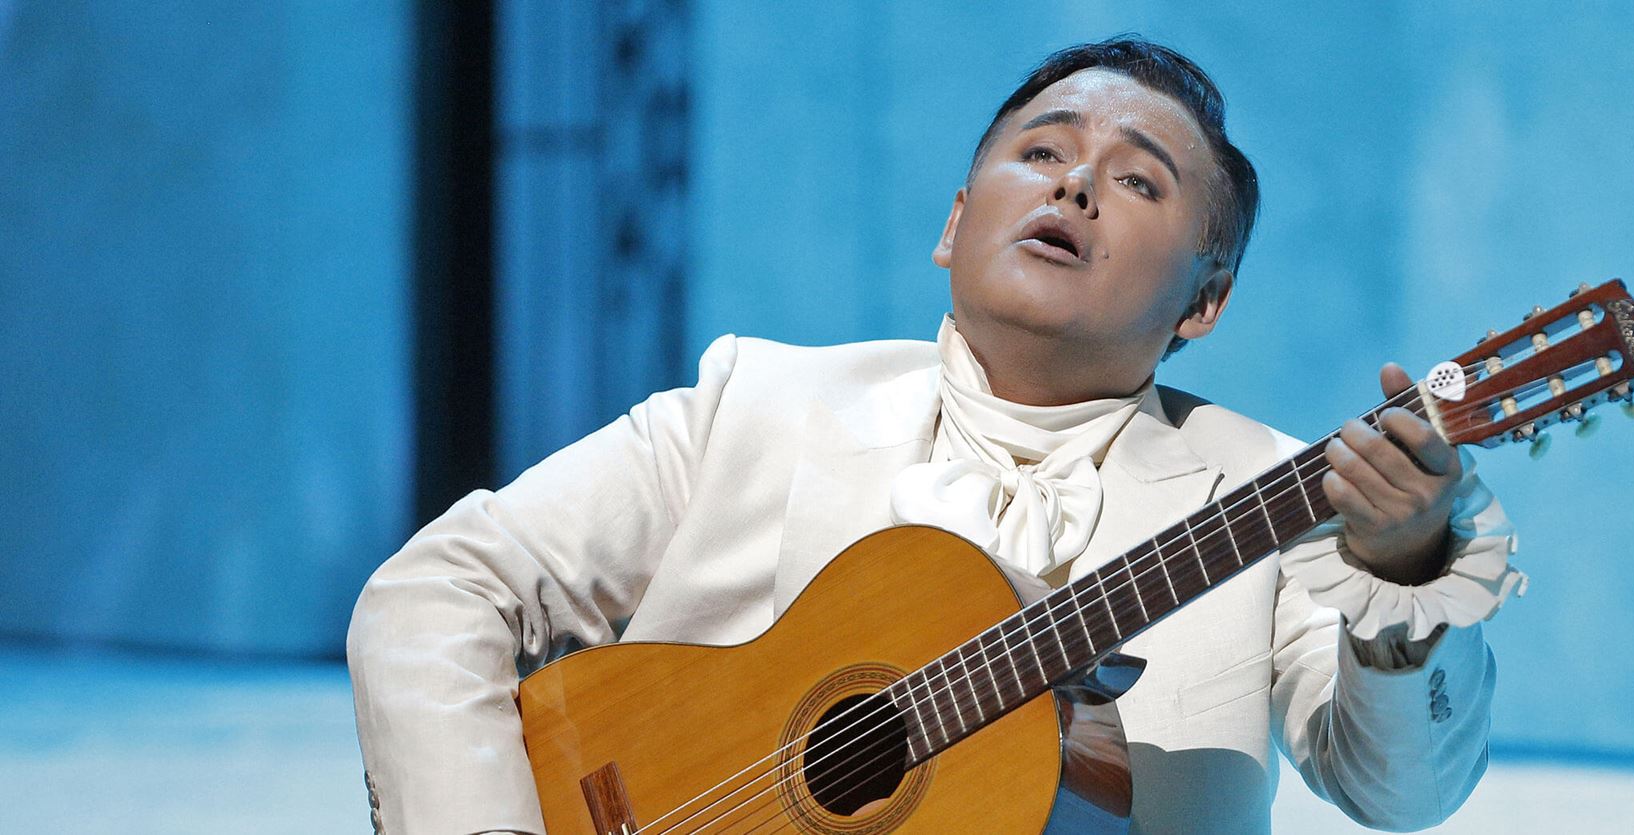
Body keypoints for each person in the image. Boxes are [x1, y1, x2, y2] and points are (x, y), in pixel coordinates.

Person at [348, 36, 1525, 834]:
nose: (1075, 189)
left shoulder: (1268, 489)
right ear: (956, 221)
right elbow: (438, 592)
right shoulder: (754, 403)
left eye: (1140, 184)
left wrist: (1405, 565)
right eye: (1043, 153)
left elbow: (1398, 789)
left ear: (1204, 304)